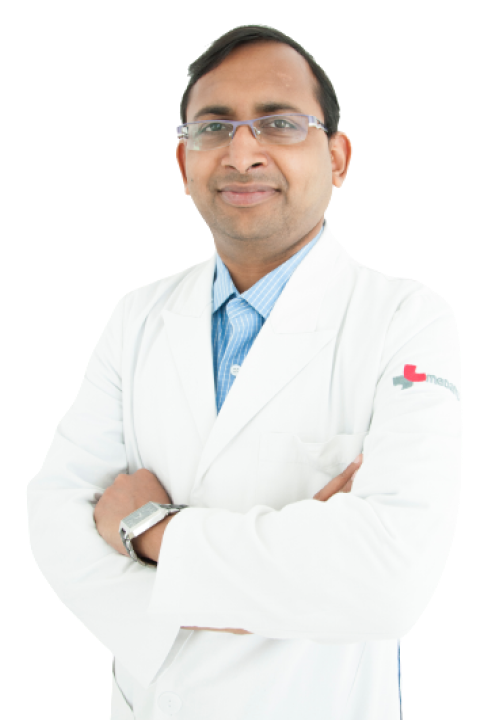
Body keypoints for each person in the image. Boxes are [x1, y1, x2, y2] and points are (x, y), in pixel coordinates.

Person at [26, 24, 461, 720]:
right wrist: (276, 577)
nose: (242, 152)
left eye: (279, 123)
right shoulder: (138, 315)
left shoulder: (406, 319)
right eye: (214, 127)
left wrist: (149, 531)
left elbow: (389, 579)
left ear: (338, 157)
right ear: (183, 162)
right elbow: (57, 518)